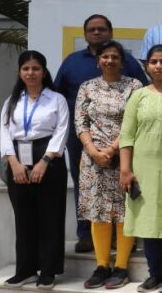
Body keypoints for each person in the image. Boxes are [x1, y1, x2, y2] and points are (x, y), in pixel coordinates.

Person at [54, 13, 147, 252]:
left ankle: (124, 235)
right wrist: (90, 146)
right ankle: (85, 232)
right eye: (92, 29)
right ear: (85, 34)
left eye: (101, 29)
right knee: (87, 188)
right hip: (84, 141)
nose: (96, 33)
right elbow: (58, 96)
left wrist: (116, 145)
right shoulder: (72, 62)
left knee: (122, 188)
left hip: (124, 143)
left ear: (111, 32)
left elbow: (144, 95)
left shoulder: (128, 62)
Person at [0, 50, 70, 289]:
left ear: (44, 71)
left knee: (50, 216)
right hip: (18, 158)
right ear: (20, 72)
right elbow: (4, 134)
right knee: (24, 217)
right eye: (26, 69)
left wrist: (44, 162)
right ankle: (25, 270)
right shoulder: (11, 101)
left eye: (36, 68)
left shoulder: (56, 99)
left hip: (48, 157)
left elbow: (61, 131)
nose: (31, 73)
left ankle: (48, 271)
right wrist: (14, 163)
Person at [119, 45, 162, 293]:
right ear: (146, 66)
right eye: (154, 62)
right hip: (144, 165)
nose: (158, 66)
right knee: (147, 219)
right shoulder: (138, 95)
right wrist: (125, 170)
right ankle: (154, 274)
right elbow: (126, 135)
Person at [74, 41, 142, 289]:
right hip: (93, 160)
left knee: (124, 212)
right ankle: (102, 265)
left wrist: (112, 149)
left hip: (124, 155)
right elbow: (80, 122)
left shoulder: (134, 86)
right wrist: (93, 151)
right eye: (105, 56)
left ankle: (121, 267)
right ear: (98, 61)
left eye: (115, 57)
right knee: (98, 212)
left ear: (122, 61)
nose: (110, 60)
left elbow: (134, 122)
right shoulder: (87, 88)